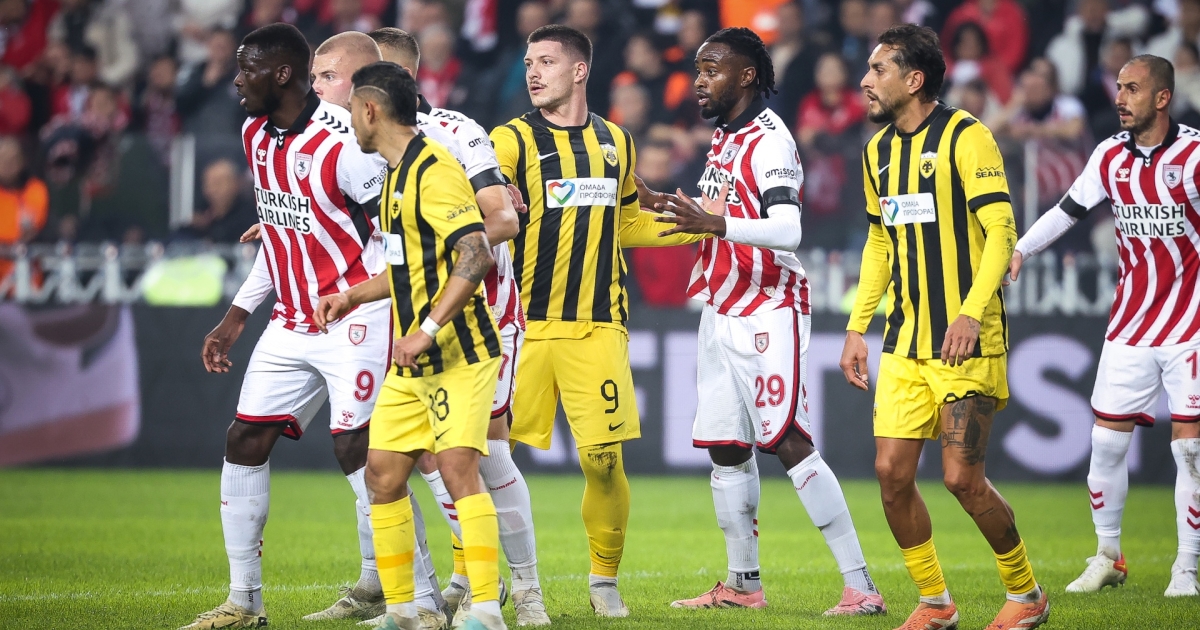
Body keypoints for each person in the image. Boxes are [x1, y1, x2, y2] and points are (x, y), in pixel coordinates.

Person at [637, 26, 884, 616]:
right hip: (721, 305)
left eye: (712, 69)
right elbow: (720, 209)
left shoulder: (770, 140)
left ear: (747, 75)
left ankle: (862, 587)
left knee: (790, 442)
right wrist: (667, 206)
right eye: (698, 70)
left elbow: (788, 228)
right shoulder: (725, 137)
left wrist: (715, 224)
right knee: (726, 447)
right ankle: (743, 584)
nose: (700, 81)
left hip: (769, 304)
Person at [488, 24, 709, 617]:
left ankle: (604, 581)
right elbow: (485, 202)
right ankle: (481, 578)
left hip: (597, 325)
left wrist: (699, 225)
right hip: (522, 326)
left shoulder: (616, 141)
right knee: (484, 455)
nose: (533, 72)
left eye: (546, 61)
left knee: (604, 461)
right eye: (528, 62)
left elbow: (626, 222)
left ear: (580, 70)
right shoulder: (510, 141)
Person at [839, 24, 1049, 630]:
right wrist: (856, 326)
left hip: (966, 340)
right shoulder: (877, 152)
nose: (865, 80)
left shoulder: (966, 136)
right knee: (890, 475)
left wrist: (970, 312)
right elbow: (880, 242)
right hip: (905, 340)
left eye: (878, 69)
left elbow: (1001, 232)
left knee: (962, 478)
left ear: (914, 79)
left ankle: (1027, 593)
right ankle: (935, 602)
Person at [183, 23, 390, 630]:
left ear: (280, 74)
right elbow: (280, 233)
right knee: (244, 440)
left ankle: (417, 596)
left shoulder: (345, 143)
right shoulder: (254, 134)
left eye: (246, 70)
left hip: (355, 314)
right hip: (291, 321)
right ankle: (244, 602)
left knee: (358, 448)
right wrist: (236, 316)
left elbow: (395, 231)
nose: (236, 81)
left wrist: (387, 303)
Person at [367, 26, 551, 627]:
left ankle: (523, 591)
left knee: (482, 456)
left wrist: (439, 274)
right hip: (417, 320)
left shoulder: (454, 134)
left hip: (480, 315)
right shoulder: (374, 149)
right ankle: (450, 589)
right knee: (416, 460)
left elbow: (499, 223)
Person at [313, 59, 506, 630]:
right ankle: (405, 611)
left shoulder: (435, 171)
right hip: (412, 361)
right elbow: (406, 267)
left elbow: (476, 253)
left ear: (370, 109)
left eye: (351, 109)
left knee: (457, 469)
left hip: (459, 352)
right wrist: (351, 296)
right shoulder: (394, 176)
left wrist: (427, 329)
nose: (349, 120)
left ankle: (487, 610)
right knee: (382, 473)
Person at [1010, 54, 1200, 598]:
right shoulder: (1109, 155)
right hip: (1129, 325)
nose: (1120, 97)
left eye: (1132, 88)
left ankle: (1186, 567)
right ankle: (1108, 556)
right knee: (1105, 444)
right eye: (1118, 87)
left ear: (1162, 97)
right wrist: (1021, 249)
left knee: (1190, 451)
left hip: (1190, 324)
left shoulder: (1194, 155)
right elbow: (1066, 210)